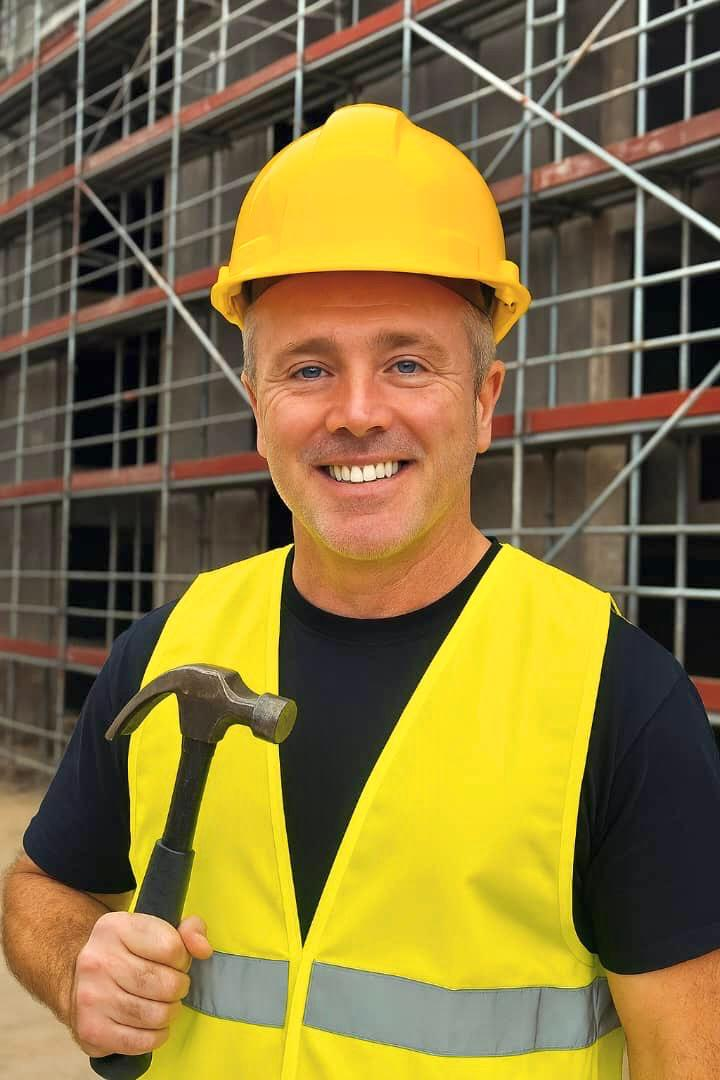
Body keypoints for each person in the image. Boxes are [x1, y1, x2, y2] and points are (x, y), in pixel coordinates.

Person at [3, 103, 720, 1080]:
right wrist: (76, 966)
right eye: (308, 368)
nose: (356, 412)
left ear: (484, 403)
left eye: (407, 363)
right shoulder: (171, 646)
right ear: (258, 408)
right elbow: (41, 886)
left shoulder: (615, 699)